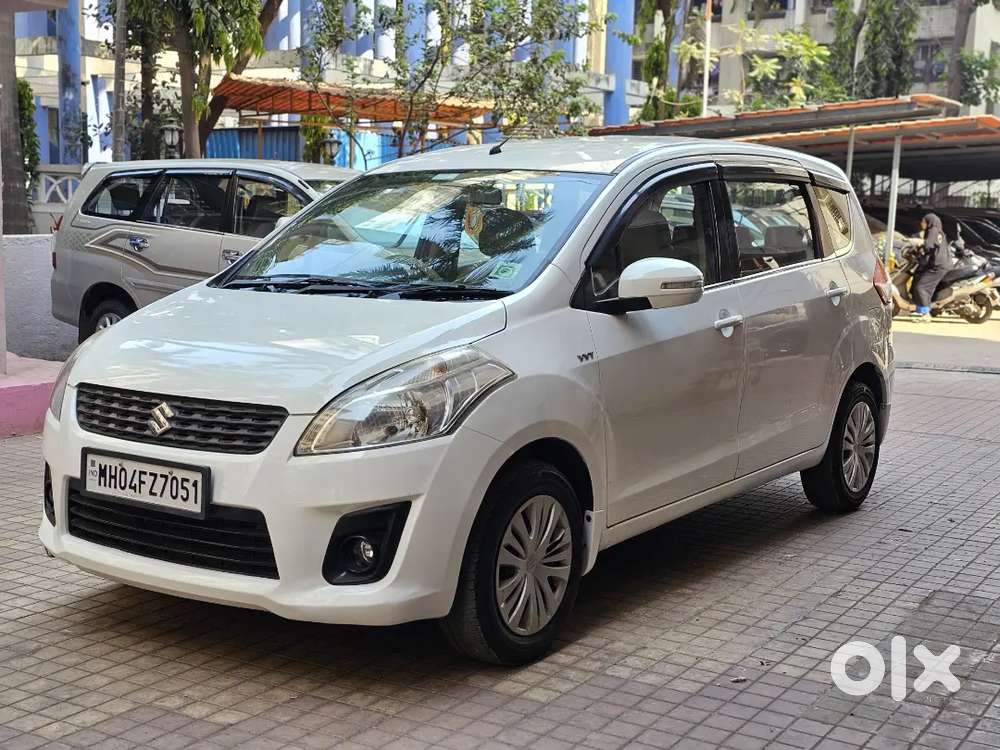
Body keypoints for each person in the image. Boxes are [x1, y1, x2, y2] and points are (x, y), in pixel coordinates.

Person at [910, 213, 952, 320]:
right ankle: (921, 310)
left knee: (921, 287)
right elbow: (930, 248)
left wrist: (918, 242)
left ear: (929, 222)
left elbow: (928, 244)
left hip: (938, 265)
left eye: (923, 221)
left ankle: (926, 314)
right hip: (939, 264)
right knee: (924, 286)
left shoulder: (933, 230)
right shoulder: (937, 231)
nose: (921, 223)